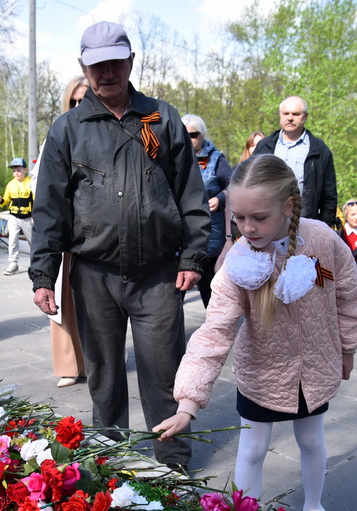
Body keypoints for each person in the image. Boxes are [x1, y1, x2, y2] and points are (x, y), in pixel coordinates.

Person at [154, 155, 357, 511]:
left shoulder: (322, 240)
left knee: (312, 440)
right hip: (262, 373)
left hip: (314, 368)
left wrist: (348, 346)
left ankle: (315, 510)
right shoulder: (238, 264)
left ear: (288, 206)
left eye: (259, 218)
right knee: (252, 447)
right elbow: (214, 332)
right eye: (239, 218)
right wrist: (187, 403)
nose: (247, 228)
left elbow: (348, 293)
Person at [29, 21, 211, 469]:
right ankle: (109, 463)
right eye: (97, 65)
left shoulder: (162, 118)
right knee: (104, 374)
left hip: (158, 274)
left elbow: (191, 194)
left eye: (115, 62)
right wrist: (43, 274)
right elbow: (50, 209)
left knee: (164, 373)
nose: (106, 72)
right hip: (94, 275)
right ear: (83, 67)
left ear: (130, 61)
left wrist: (193, 256)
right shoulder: (67, 129)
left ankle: (172, 463)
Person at [33, 77, 88, 388]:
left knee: (99, 303)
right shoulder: (57, 134)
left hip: (97, 232)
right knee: (62, 301)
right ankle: (69, 363)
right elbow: (43, 188)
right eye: (74, 101)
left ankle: (96, 360)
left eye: (85, 99)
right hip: (64, 231)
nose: (79, 106)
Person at [253, 96, 338, 227]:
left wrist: (323, 227)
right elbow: (250, 184)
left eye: (296, 114)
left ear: (305, 116)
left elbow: (329, 196)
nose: (290, 118)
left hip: (305, 224)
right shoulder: (264, 146)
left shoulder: (319, 150)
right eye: (286, 113)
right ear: (280, 115)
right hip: (266, 223)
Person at [182, 114, 233, 307]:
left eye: (193, 134)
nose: (189, 139)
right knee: (173, 298)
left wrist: (220, 198)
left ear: (202, 135)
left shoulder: (216, 159)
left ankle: (217, 326)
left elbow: (236, 186)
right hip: (179, 237)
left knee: (210, 294)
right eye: (184, 134)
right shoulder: (172, 158)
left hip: (209, 237)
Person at [0, 157, 33, 275]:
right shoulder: (10, 184)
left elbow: (37, 200)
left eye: (19, 170)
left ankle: (36, 263)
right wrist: (0, 200)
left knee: (33, 241)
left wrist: (36, 215)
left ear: (25, 170)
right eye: (14, 170)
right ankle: (13, 263)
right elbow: (6, 200)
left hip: (28, 218)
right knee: (12, 240)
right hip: (14, 217)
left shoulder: (31, 182)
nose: (16, 173)